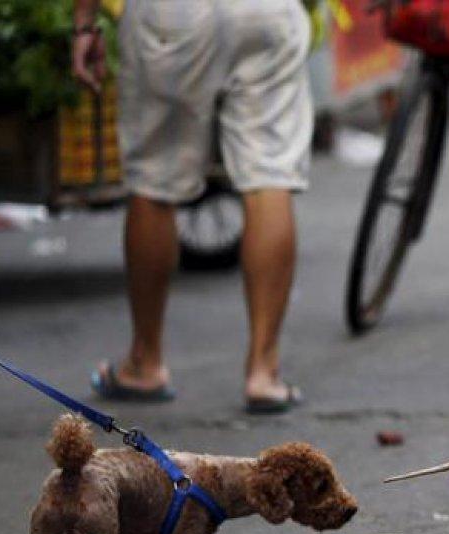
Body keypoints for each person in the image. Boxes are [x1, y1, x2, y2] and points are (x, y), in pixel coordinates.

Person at [72, 0, 313, 413]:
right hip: (265, 13)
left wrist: (84, 24)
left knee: (154, 183)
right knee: (269, 177)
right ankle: (263, 371)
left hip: (170, 18)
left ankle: (146, 363)